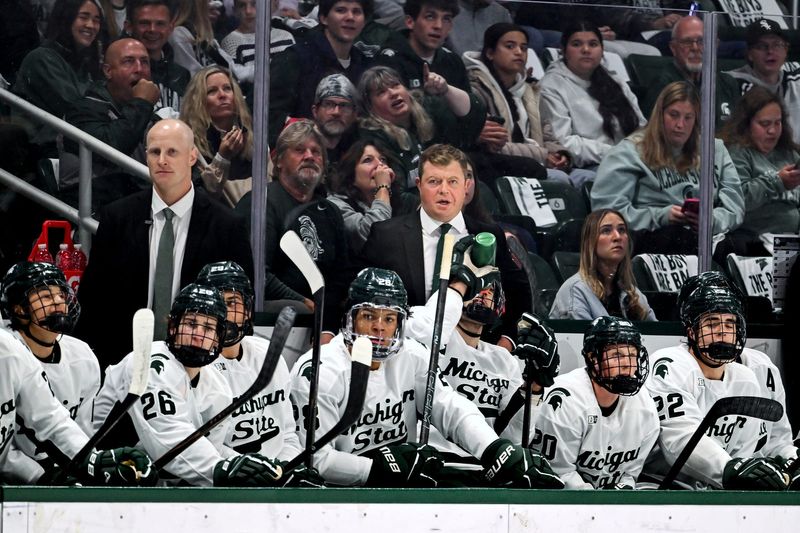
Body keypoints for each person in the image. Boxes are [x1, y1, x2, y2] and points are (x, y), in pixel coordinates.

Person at [290, 267, 564, 488]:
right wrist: (375, 469)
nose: (379, 327)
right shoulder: (320, 371)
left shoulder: (411, 355)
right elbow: (315, 459)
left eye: (389, 318)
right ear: (350, 317)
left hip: (405, 484)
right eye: (368, 315)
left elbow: (449, 407)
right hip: (342, 496)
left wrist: (492, 448)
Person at [75, 119, 253, 369]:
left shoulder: (226, 226)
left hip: (200, 366)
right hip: (124, 361)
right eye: (155, 152)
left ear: (192, 156)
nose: (162, 160)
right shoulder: (118, 217)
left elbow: (239, 307)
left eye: (172, 152)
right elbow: (94, 298)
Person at [93, 283, 286, 487]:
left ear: (218, 338)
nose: (198, 334)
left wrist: (260, 468)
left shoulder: (217, 386)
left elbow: (211, 449)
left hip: (150, 484)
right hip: (98, 482)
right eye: (191, 324)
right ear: (173, 326)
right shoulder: (151, 363)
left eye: (209, 328)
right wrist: (221, 469)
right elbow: (168, 439)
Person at [405, 238, 561, 459]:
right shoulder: (429, 335)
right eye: (476, 286)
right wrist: (459, 282)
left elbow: (513, 437)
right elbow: (429, 329)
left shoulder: (503, 360)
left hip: (484, 464)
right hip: (434, 459)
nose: (484, 293)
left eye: (490, 288)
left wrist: (534, 387)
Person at [643, 272, 790, 490]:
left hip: (716, 487)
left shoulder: (749, 376)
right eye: (712, 324)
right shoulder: (669, 365)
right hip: (663, 485)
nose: (722, 333)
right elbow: (680, 439)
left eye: (729, 324)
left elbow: (761, 446)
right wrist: (730, 470)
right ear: (691, 330)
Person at [591, 81, 744, 255]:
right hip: (655, 239)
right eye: (674, 115)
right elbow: (605, 214)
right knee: (676, 238)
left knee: (746, 246)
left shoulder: (714, 150)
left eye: (688, 118)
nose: (680, 125)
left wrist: (711, 220)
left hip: (710, 235)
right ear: (660, 115)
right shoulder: (628, 153)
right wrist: (661, 216)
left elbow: (735, 208)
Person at [237, 120, 350, 337]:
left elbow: (341, 277)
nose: (309, 156)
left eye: (316, 152)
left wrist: (326, 325)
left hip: (321, 322)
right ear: (277, 160)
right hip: (273, 322)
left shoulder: (330, 211)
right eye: (299, 150)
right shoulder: (262, 202)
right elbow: (255, 273)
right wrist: (302, 302)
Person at [0, 262, 100, 484]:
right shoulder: (8, 353)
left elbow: (63, 424)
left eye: (61, 295)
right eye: (45, 296)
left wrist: (89, 463)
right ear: (19, 308)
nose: (57, 302)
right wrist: (37, 474)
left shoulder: (83, 357)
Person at [532, 316, 659, 489]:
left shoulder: (646, 408)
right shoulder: (566, 400)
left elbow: (629, 475)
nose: (628, 365)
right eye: (617, 355)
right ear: (593, 359)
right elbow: (559, 475)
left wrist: (623, 489)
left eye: (632, 355)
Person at [464, 22, 595, 188]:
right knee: (559, 180)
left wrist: (561, 155)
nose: (519, 52)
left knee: (590, 178)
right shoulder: (476, 89)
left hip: (541, 161)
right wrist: (543, 155)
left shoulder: (531, 90)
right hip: (507, 166)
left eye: (523, 48)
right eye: (510, 46)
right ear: (490, 53)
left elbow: (548, 135)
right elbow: (495, 146)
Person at [539, 21, 646, 170]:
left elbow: (641, 128)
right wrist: (617, 153)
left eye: (593, 44)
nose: (586, 49)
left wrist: (640, 151)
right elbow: (562, 141)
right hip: (588, 166)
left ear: (602, 50)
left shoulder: (616, 82)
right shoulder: (551, 85)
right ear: (563, 50)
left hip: (628, 159)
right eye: (576, 44)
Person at [64, 37, 159, 206]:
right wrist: (142, 104)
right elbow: (113, 148)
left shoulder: (148, 114)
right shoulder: (83, 110)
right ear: (108, 71)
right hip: (94, 205)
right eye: (128, 62)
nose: (139, 69)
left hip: (134, 201)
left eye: (145, 62)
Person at [356, 65, 485, 187]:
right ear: (370, 107)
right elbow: (397, 194)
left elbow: (475, 120)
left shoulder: (429, 107)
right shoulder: (374, 139)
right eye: (381, 92)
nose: (393, 93)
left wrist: (446, 90)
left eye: (395, 85)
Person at [268, 0, 373, 146]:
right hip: (300, 153)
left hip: (349, 159)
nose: (350, 17)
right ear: (323, 18)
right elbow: (269, 115)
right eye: (341, 10)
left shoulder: (364, 65)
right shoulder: (296, 58)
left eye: (357, 11)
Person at [719, 87, 800, 255]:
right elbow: (738, 200)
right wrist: (777, 182)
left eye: (777, 123)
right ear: (746, 124)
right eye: (765, 124)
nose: (772, 131)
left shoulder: (789, 153)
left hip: (791, 242)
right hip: (753, 243)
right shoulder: (737, 153)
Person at [14, 0, 104, 151]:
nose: (91, 25)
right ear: (66, 18)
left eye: (96, 20)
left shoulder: (86, 64)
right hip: (42, 150)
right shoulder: (41, 58)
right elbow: (77, 111)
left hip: (76, 148)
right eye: (83, 17)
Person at [550, 209, 656, 321]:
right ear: (590, 242)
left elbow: (657, 335)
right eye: (606, 231)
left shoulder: (632, 293)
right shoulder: (575, 291)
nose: (617, 237)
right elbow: (583, 338)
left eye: (622, 230)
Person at [641, 15, 740, 128]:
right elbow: (652, 133)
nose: (695, 48)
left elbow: (737, 132)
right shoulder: (663, 84)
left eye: (702, 41)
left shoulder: (727, 83)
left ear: (715, 45)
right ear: (673, 48)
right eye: (686, 42)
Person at [180, 65, 254, 206]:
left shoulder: (251, 135)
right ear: (198, 101)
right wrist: (222, 158)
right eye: (212, 91)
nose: (222, 95)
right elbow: (203, 197)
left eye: (227, 88)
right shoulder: (189, 143)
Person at [727, 19, 800, 145]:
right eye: (761, 46)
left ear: (786, 50)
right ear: (749, 54)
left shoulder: (796, 73)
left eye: (777, 45)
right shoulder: (733, 82)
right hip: (757, 158)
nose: (770, 51)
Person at [374, 0, 467, 92]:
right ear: (410, 22)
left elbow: (473, 106)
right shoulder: (388, 61)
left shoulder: (454, 62)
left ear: (451, 27)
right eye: (430, 17)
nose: (439, 26)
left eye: (446, 19)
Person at [328, 139, 400, 254]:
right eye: (368, 160)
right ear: (351, 173)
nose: (380, 164)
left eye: (383, 159)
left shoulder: (403, 200)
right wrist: (383, 187)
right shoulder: (336, 205)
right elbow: (374, 234)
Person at [125, 0, 191, 114]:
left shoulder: (181, 75)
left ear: (170, 28)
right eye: (144, 23)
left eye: (160, 24)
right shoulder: (122, 74)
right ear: (129, 26)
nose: (152, 29)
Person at [168, 0, 252, 83]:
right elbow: (195, 81)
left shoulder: (207, 39)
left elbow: (234, 70)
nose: (215, 6)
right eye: (209, 1)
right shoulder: (180, 36)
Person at [220, 0, 295, 65]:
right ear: (235, 10)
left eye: (255, 4)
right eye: (242, 6)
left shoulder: (286, 36)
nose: (248, 11)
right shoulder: (230, 42)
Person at [311, 73, 361, 169]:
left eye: (344, 106)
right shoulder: (300, 147)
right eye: (329, 104)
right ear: (315, 111)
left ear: (355, 114)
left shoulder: (356, 153)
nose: (336, 112)